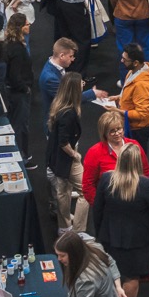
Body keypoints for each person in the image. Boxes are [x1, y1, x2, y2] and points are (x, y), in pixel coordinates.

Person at [94, 143, 149, 297]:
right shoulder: (146, 184)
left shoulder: (106, 179)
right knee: (132, 277)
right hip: (137, 240)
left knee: (109, 275)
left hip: (109, 235)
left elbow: (98, 210)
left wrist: (99, 233)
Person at [46, 71, 88, 233]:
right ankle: (78, 230)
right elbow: (64, 142)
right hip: (66, 158)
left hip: (55, 157)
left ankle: (64, 227)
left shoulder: (59, 104)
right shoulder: (69, 113)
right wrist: (74, 155)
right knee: (86, 192)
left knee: (63, 191)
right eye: (81, 83)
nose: (83, 84)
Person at [82, 109, 149, 207]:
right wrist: (99, 205)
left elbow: (145, 170)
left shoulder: (134, 145)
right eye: (112, 131)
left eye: (119, 129)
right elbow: (88, 184)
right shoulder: (94, 152)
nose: (117, 133)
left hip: (134, 202)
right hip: (109, 206)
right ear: (104, 133)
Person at [2, 13, 34, 160]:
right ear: (20, 28)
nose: (29, 26)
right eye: (26, 24)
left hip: (11, 91)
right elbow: (15, 76)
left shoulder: (9, 44)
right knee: (20, 125)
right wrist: (25, 88)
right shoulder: (18, 50)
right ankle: (22, 157)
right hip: (18, 93)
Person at [116, 42, 149, 145]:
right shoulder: (133, 71)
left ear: (135, 62)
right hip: (131, 125)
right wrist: (119, 97)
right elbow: (131, 94)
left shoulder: (142, 86)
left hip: (137, 129)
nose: (122, 61)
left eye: (125, 59)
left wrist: (121, 112)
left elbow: (142, 113)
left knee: (137, 158)